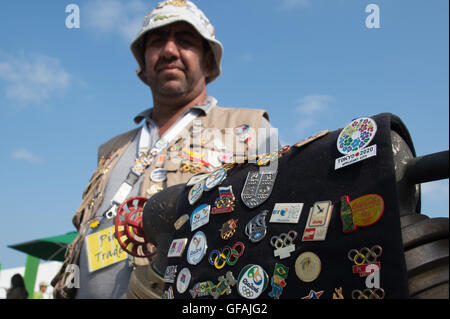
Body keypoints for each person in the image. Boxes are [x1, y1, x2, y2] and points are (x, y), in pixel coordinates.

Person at [52, 0, 279, 299]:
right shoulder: (111, 150)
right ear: (143, 67)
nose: (170, 51)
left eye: (185, 41)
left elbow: (271, 243)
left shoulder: (251, 129)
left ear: (208, 62)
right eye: (157, 42)